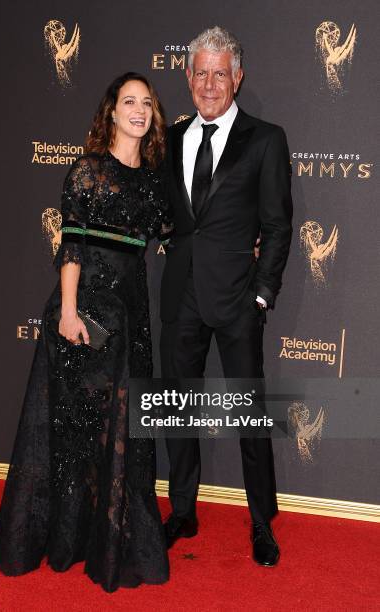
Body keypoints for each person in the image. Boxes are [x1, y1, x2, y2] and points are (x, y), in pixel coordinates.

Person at [0, 72, 171, 592]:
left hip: (129, 320)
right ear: (111, 113)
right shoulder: (87, 171)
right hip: (83, 314)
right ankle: (65, 540)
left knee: (121, 434)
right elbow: (70, 244)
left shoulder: (153, 182)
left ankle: (107, 541)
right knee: (73, 437)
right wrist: (67, 312)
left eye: (146, 104)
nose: (138, 110)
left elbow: (175, 234)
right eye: (128, 102)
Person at [160, 27, 293, 566]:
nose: (210, 84)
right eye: (200, 73)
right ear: (188, 77)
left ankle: (262, 522)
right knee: (178, 411)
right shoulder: (169, 140)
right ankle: (183, 510)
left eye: (220, 73)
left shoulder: (265, 139)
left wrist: (261, 295)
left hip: (238, 299)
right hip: (180, 297)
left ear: (238, 77)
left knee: (251, 419)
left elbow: (278, 225)